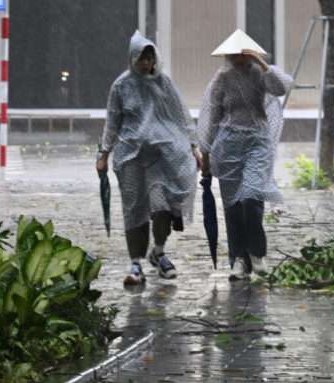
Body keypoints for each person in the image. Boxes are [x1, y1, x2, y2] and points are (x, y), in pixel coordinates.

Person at [97, 31, 201, 286]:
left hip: (160, 157)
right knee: (134, 210)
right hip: (130, 156)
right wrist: (104, 153)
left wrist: (194, 146)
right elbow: (113, 122)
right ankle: (136, 263)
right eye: (141, 58)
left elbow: (181, 115)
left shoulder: (164, 84)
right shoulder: (121, 86)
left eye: (149, 59)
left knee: (161, 205)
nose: (146, 64)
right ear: (133, 58)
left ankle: (159, 251)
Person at [198, 30, 293, 281]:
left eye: (244, 54)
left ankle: (257, 254)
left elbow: (281, 87)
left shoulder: (260, 74)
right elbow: (212, 117)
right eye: (235, 55)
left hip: (258, 142)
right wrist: (205, 156)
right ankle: (239, 259)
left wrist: (262, 63)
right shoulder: (222, 79)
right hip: (228, 146)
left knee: (251, 197)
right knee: (233, 205)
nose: (240, 59)